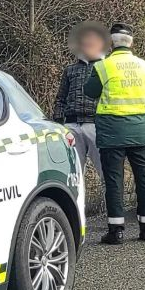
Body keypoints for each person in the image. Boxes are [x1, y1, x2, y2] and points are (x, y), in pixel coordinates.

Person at [84, 23, 145, 243]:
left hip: (112, 130)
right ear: (131, 43)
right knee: (144, 178)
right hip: (140, 129)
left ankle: (116, 231)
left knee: (114, 180)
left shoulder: (103, 66)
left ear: (110, 44)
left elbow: (90, 92)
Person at [53, 22, 108, 175]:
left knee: (105, 171)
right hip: (71, 125)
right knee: (73, 172)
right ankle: (76, 199)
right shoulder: (70, 70)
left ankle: (111, 199)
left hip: (96, 125)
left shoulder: (106, 68)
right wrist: (59, 122)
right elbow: (61, 97)